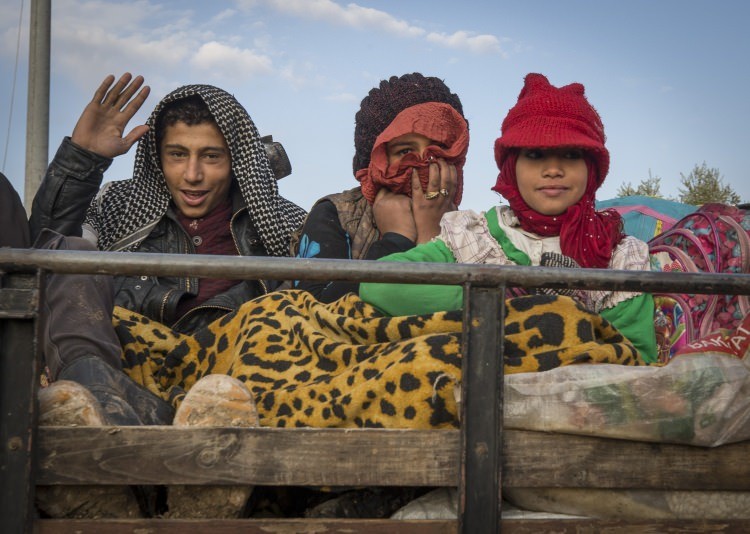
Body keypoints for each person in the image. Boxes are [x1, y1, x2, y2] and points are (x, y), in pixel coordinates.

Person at [28, 73, 307, 518]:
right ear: (158, 158)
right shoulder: (116, 207)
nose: (192, 175)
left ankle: (122, 470)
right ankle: (109, 417)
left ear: (237, 161)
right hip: (122, 369)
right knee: (71, 255)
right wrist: (82, 160)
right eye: (178, 155)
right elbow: (38, 262)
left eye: (211, 157)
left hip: (230, 389)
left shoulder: (285, 225)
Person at [360, 73, 658, 363]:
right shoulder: (473, 237)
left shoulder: (619, 256)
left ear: (593, 168)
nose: (553, 169)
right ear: (511, 166)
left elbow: (636, 356)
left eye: (571, 154)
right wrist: (501, 303)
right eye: (535, 155)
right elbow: (379, 286)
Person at [291, 72, 469, 302]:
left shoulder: (474, 230)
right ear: (375, 159)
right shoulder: (338, 214)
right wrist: (397, 240)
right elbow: (312, 311)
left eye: (439, 149)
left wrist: (431, 235)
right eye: (405, 151)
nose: (425, 163)